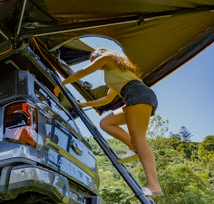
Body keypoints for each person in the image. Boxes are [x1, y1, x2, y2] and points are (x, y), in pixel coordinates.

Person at [53, 48, 163, 196]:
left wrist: (61, 84)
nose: (96, 65)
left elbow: (82, 73)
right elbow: (107, 99)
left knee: (140, 140)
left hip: (138, 94)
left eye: (94, 61)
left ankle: (154, 186)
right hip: (134, 96)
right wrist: (85, 105)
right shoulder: (112, 74)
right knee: (106, 123)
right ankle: (133, 148)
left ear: (99, 56)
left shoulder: (108, 58)